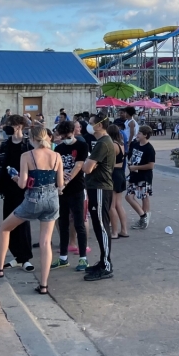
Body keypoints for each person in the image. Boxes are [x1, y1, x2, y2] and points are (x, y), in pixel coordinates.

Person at [0, 125, 63, 294]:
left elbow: (22, 184)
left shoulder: (27, 155)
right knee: (45, 242)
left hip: (33, 199)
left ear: (32, 138)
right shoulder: (56, 156)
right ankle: (43, 285)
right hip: (52, 200)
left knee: (5, 228)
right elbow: (60, 184)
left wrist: (14, 176)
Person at [0, 116, 34, 271]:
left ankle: (26, 257)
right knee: (8, 222)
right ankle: (17, 257)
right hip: (8, 188)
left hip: (24, 188)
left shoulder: (28, 144)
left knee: (23, 222)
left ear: (20, 126)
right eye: (8, 125)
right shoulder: (5, 145)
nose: (9, 127)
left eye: (12, 125)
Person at [81, 116, 116, 281]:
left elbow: (87, 168)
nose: (88, 125)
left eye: (91, 123)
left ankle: (107, 265)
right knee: (97, 225)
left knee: (102, 226)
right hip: (96, 187)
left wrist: (86, 162)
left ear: (99, 125)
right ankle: (103, 261)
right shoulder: (102, 142)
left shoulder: (103, 143)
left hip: (101, 187)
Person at [54, 120, 88, 271]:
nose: (64, 138)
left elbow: (78, 165)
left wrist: (65, 182)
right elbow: (56, 168)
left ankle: (83, 258)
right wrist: (59, 181)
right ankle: (63, 258)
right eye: (62, 136)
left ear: (73, 132)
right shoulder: (59, 148)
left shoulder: (82, 145)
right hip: (62, 191)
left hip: (77, 189)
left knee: (79, 223)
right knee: (63, 224)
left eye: (67, 135)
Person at [126, 125, 157, 229]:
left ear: (145, 135)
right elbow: (130, 155)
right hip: (133, 175)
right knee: (129, 196)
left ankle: (144, 218)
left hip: (144, 177)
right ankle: (143, 216)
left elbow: (151, 165)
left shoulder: (149, 149)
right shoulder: (135, 144)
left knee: (144, 196)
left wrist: (136, 167)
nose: (137, 135)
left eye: (139, 133)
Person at [106, 124, 130, 240]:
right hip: (120, 172)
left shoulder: (112, 145)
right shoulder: (121, 144)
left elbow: (108, 162)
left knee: (111, 206)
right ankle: (124, 230)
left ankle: (114, 232)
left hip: (113, 173)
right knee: (118, 204)